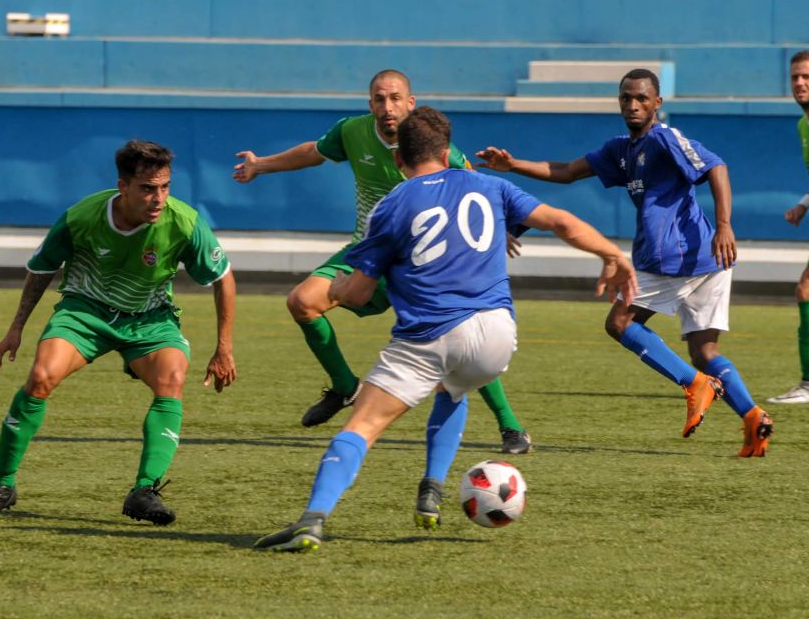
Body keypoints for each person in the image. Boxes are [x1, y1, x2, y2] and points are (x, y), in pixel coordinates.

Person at [253, 107, 636, 552]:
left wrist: (337, 284)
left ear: (400, 160)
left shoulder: (391, 205)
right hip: (497, 335)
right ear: (446, 151)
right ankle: (432, 489)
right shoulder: (492, 186)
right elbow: (563, 222)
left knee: (362, 426)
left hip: (429, 337)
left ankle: (311, 521)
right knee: (454, 388)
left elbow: (358, 294)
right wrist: (613, 254)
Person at [475, 68, 774, 457]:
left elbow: (715, 166)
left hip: (679, 257)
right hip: (704, 260)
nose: (633, 105)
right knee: (705, 351)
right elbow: (566, 172)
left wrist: (724, 225)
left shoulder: (665, 139)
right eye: (626, 99)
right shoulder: (620, 150)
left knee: (619, 322)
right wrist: (512, 164)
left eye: (642, 99)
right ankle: (752, 417)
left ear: (657, 103)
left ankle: (694, 384)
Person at [233, 69, 532, 454]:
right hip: (368, 253)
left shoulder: (436, 148)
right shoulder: (352, 132)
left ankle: (511, 426)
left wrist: (499, 228)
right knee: (302, 302)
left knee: (462, 331)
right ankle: (344, 387)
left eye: (395, 98)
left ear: (411, 102)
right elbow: (313, 152)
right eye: (379, 98)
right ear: (369, 103)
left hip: (427, 263)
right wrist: (262, 165)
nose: (387, 107)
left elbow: (476, 191)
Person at [0, 139, 237, 523]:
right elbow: (42, 268)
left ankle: (144, 491)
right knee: (41, 377)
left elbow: (223, 278)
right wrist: (16, 328)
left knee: (172, 378)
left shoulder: (185, 222)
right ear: (123, 186)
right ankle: (3, 485)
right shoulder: (82, 217)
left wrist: (224, 347)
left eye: (165, 187)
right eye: (147, 189)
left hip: (150, 320)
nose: (158, 198)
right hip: (84, 312)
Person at [767, 50, 809, 406]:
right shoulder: (804, 126)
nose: (799, 83)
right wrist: (803, 206)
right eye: (795, 77)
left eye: (807, 76)